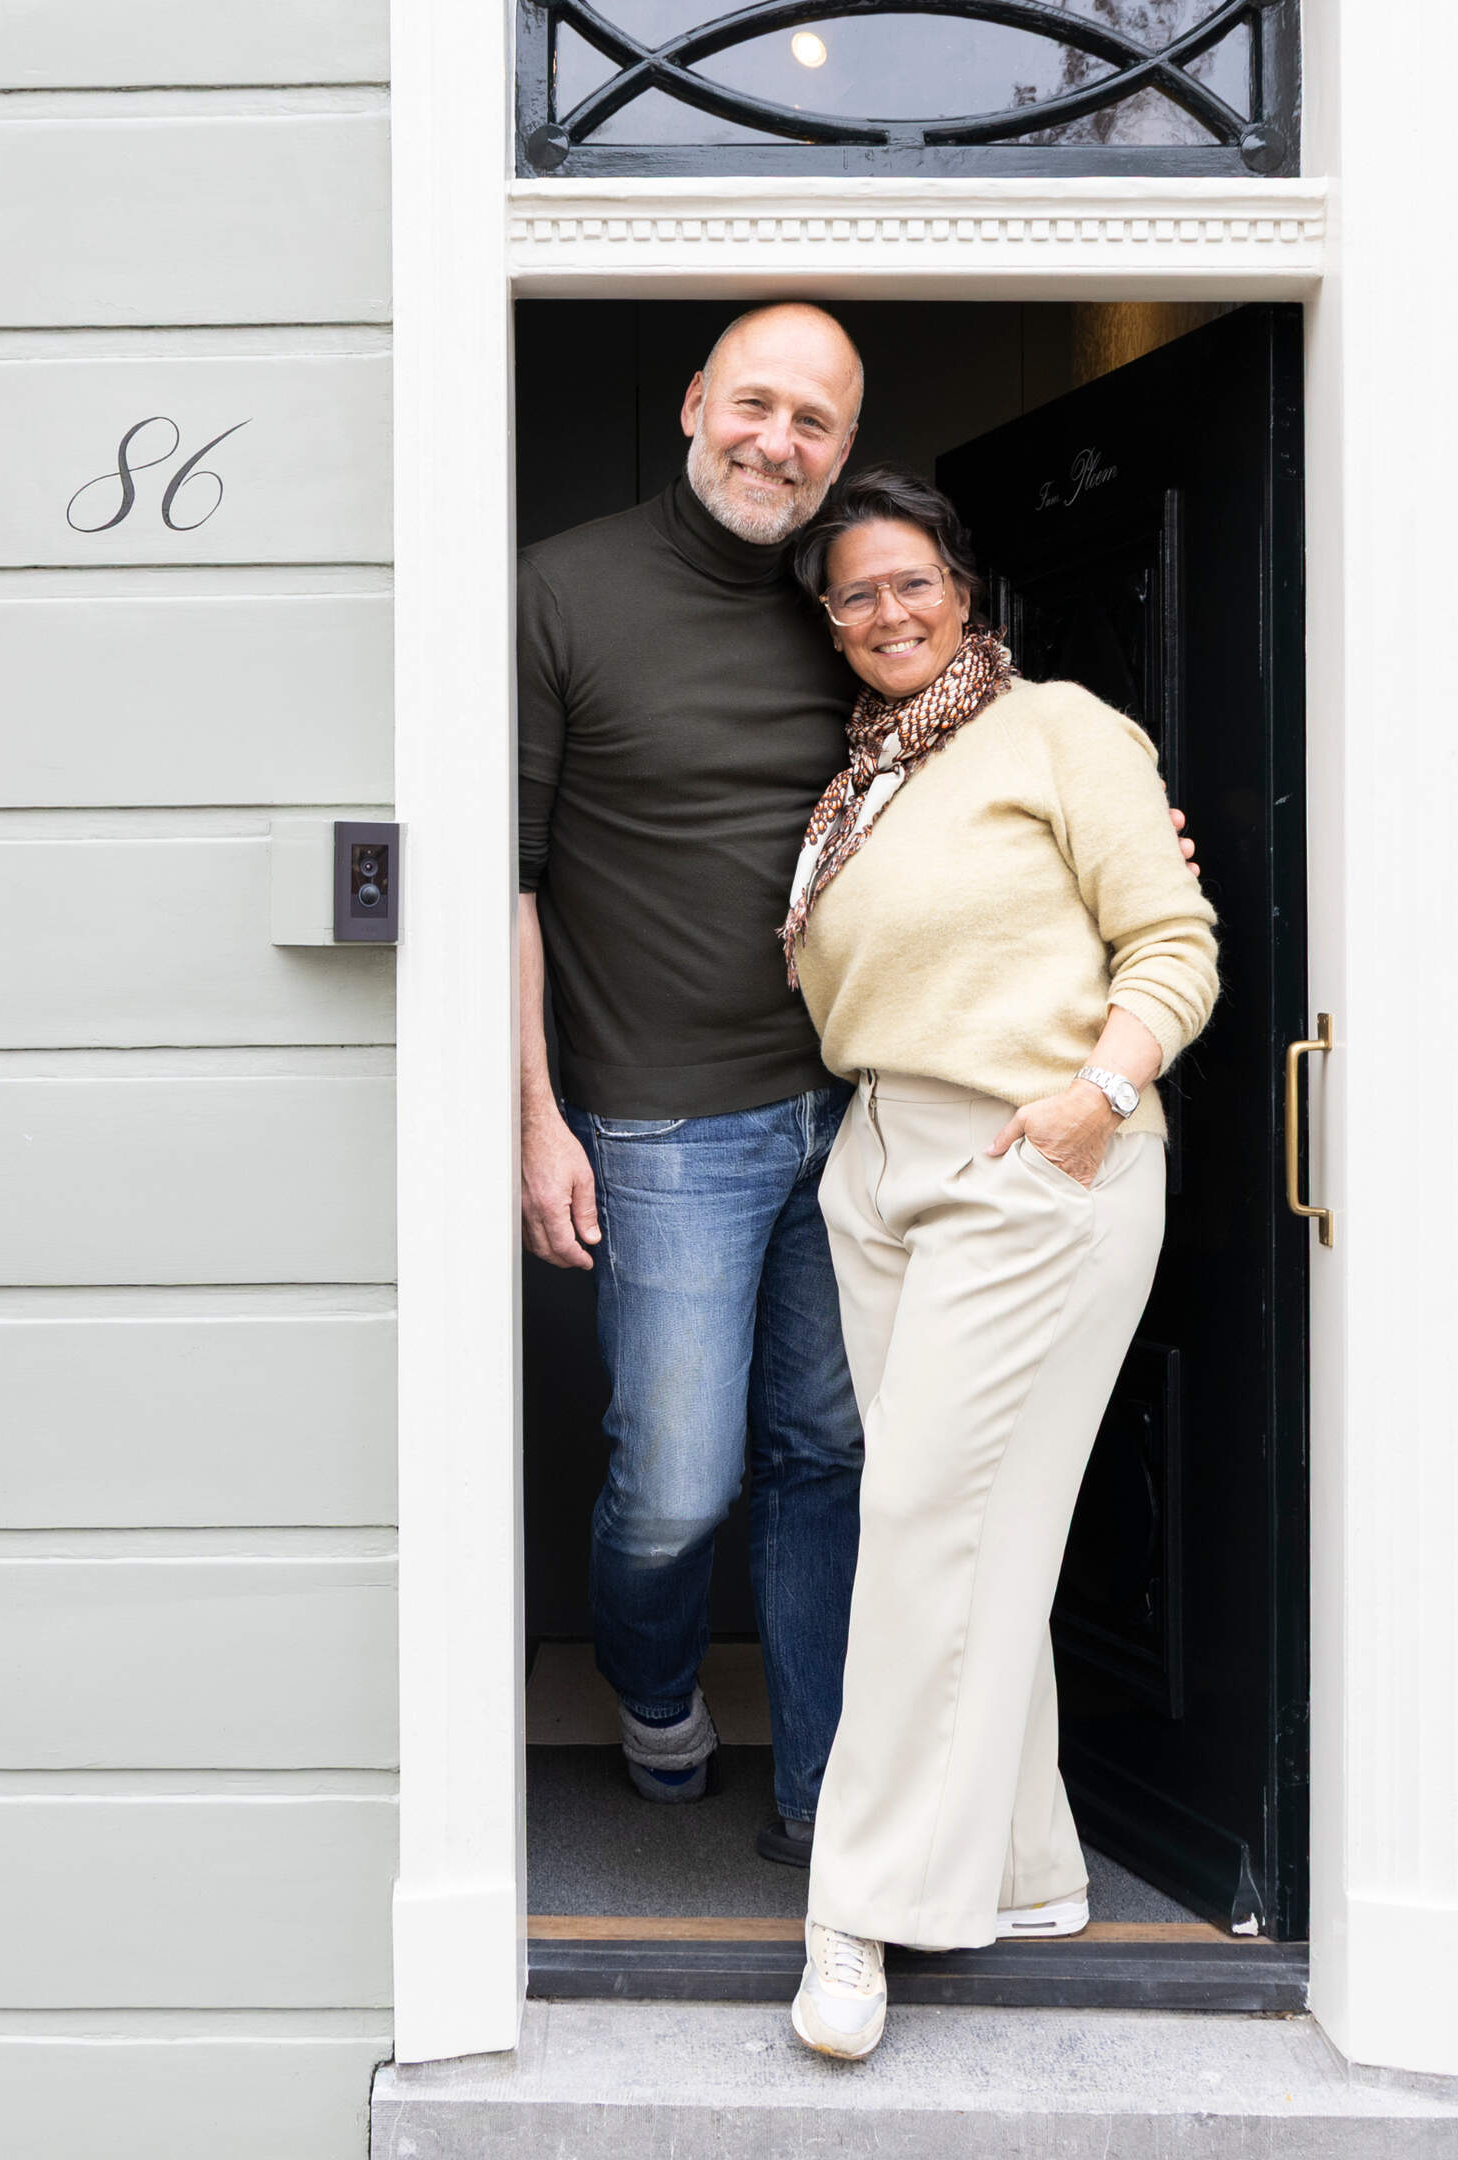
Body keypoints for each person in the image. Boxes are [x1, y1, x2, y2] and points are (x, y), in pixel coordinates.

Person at [770, 469, 1219, 2062]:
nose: (887, 615)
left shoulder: (1061, 730)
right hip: (880, 1155)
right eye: (854, 596)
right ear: (828, 626)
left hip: (1034, 1161)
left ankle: (856, 1910)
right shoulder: (871, 779)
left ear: (965, 588)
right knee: (965, 1529)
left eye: (912, 584)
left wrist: (1096, 1100)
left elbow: (1174, 941)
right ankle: (1026, 1867)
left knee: (915, 1528)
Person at [516, 302, 877, 1861]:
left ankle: (825, 1793)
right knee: (675, 1485)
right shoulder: (560, 590)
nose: (775, 442)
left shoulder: (850, 615)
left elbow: (987, 798)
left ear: (842, 453)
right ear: (691, 404)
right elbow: (501, 883)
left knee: (827, 1460)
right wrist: (534, 1117)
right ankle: (654, 1691)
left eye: (812, 423)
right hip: (658, 1124)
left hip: (857, 1111)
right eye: (754, 405)